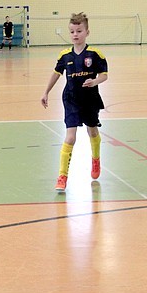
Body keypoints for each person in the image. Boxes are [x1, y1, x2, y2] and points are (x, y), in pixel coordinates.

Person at [40, 13, 108, 192]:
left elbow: (104, 75)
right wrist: (46, 92)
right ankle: (62, 176)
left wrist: (94, 81)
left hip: (90, 99)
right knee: (70, 137)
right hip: (71, 99)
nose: (75, 34)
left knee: (92, 131)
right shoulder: (65, 55)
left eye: (79, 31)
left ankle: (95, 160)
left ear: (87, 32)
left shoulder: (95, 54)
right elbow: (56, 73)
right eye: (72, 32)